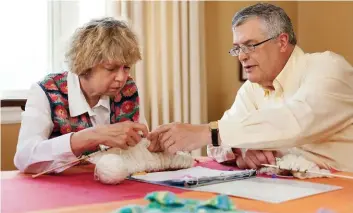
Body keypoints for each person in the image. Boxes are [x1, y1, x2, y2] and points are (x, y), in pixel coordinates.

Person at [148, 3, 353, 172]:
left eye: (250, 45)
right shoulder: (252, 88)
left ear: (282, 42)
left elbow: (297, 122)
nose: (241, 56)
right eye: (237, 48)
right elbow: (219, 144)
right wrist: (242, 151)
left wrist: (207, 132)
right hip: (288, 189)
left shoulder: (329, 68)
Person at [14, 17, 149, 174]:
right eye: (111, 68)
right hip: (61, 192)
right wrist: (95, 135)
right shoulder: (45, 91)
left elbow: (140, 148)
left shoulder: (128, 90)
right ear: (85, 64)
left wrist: (155, 143)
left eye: (126, 68)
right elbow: (24, 158)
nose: (121, 77)